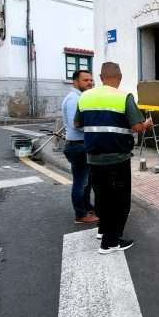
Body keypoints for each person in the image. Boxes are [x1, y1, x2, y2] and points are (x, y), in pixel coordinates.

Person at [75, 62, 153, 254]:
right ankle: (110, 243)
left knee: (101, 197)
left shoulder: (85, 97)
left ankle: (103, 230)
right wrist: (147, 124)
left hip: (93, 158)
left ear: (101, 78)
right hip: (117, 159)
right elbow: (136, 126)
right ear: (119, 78)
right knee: (119, 201)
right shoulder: (123, 97)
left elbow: (77, 123)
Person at [62, 70, 98, 224]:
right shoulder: (73, 100)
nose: (89, 83)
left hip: (82, 145)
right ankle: (80, 215)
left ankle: (87, 207)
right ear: (75, 82)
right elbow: (75, 124)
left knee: (87, 181)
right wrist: (97, 127)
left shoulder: (81, 98)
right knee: (80, 182)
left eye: (91, 80)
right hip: (77, 146)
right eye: (85, 80)